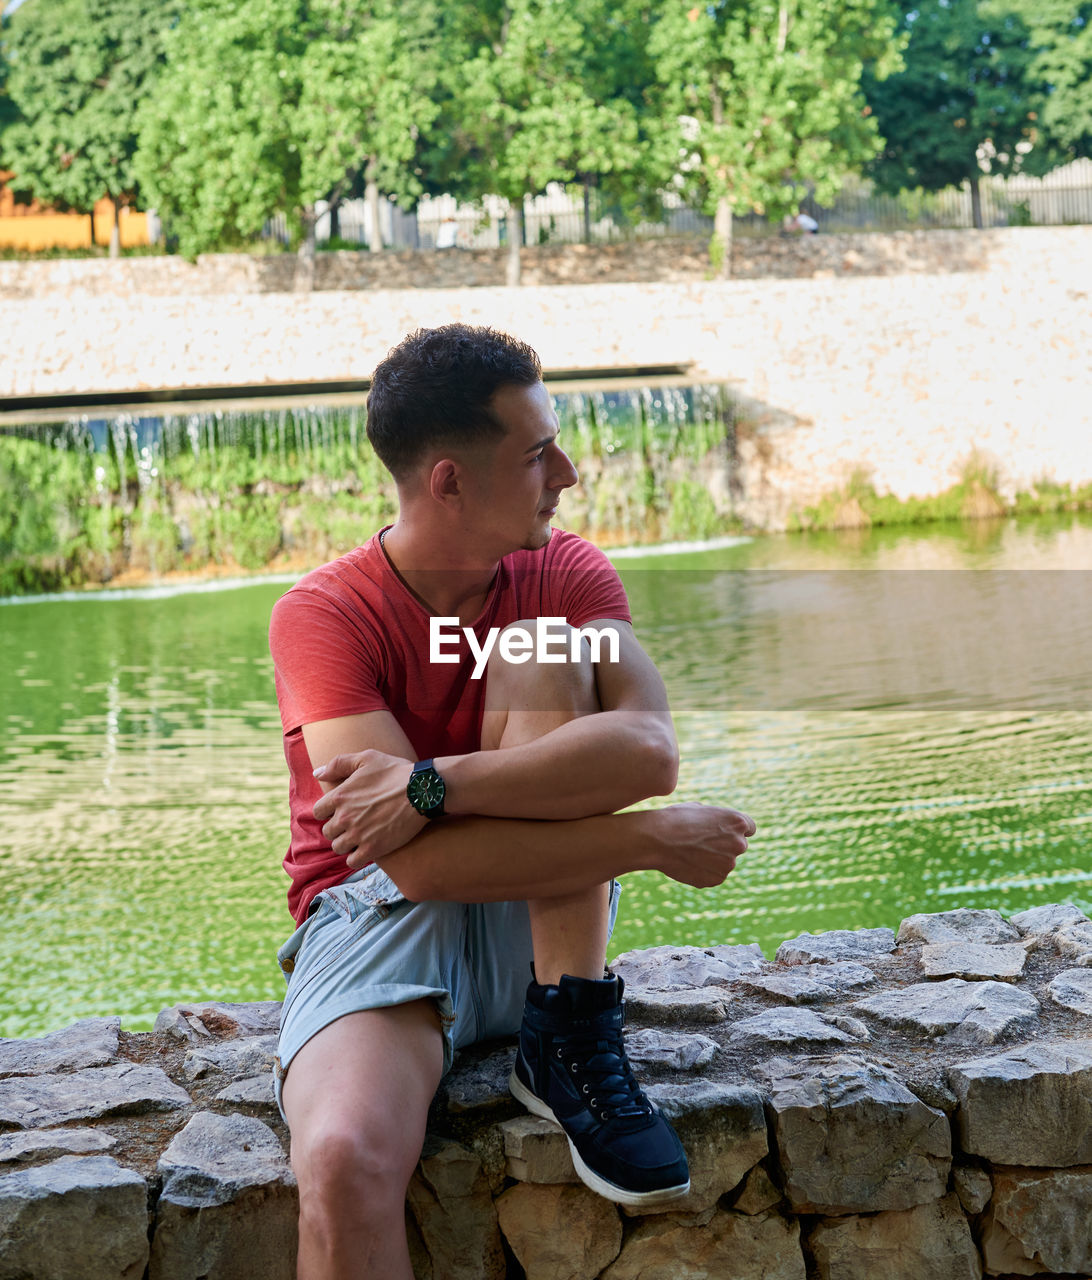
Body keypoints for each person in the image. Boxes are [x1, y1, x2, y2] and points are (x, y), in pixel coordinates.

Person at [268, 323, 756, 1279]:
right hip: (381, 924)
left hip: (546, 915)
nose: (567, 472)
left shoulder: (567, 573)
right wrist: (649, 843)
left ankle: (569, 1027)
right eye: (538, 454)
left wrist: (429, 783)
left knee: (539, 646)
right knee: (338, 1163)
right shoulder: (322, 616)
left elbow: (647, 752)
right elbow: (416, 862)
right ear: (448, 479)